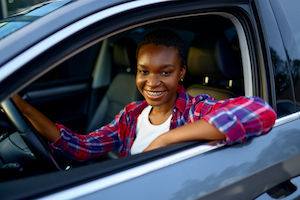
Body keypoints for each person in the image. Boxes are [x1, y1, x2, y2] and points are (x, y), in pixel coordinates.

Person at [12, 29, 277, 161]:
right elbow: (82, 147)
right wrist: (24, 109)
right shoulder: (130, 115)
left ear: (181, 73)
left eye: (165, 72)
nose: (152, 82)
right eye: (144, 71)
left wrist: (165, 140)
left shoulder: (195, 109)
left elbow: (260, 111)